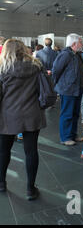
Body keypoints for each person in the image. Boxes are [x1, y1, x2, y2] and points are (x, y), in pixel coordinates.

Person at [0, 39, 47, 200]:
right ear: (24, 50)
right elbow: (45, 91)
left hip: (7, 115)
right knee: (31, 151)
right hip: (32, 114)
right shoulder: (36, 66)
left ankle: (1, 183)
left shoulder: (2, 69)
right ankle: (30, 189)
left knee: (3, 150)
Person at [52, 33, 83, 146]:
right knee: (67, 114)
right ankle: (65, 137)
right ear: (74, 43)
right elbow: (56, 71)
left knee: (75, 113)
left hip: (77, 89)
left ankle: (73, 135)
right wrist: (60, 84)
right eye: (80, 42)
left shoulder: (77, 55)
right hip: (68, 90)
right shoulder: (65, 55)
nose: (82, 44)